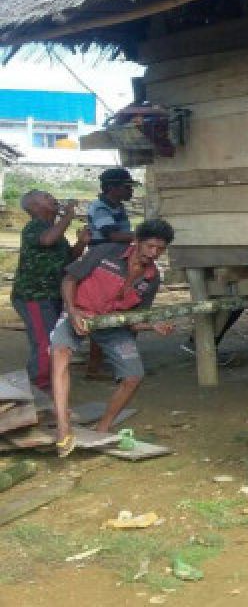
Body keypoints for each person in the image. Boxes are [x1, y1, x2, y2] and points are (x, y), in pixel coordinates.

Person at [48, 219, 175, 456]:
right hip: (78, 313)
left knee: (134, 376)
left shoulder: (152, 278)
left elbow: (134, 319)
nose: (154, 253)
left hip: (113, 324)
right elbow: (69, 279)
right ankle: (63, 427)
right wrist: (73, 311)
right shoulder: (104, 252)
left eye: (160, 249)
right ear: (136, 242)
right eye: (149, 246)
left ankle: (103, 427)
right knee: (60, 354)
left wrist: (152, 325)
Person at [11, 191, 89, 392]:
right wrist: (68, 216)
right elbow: (47, 241)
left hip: (51, 295)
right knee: (44, 340)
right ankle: (39, 385)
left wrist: (81, 242)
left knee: (50, 338)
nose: (53, 198)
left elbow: (68, 259)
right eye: (46, 197)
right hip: (34, 296)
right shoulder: (34, 227)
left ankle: (43, 382)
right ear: (35, 208)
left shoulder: (53, 230)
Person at [82, 167, 139, 380]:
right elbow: (113, 235)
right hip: (102, 266)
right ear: (112, 188)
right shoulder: (100, 207)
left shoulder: (117, 207)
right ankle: (94, 367)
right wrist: (143, 236)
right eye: (127, 187)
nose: (130, 191)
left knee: (119, 311)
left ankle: (113, 362)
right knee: (102, 313)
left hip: (115, 263)